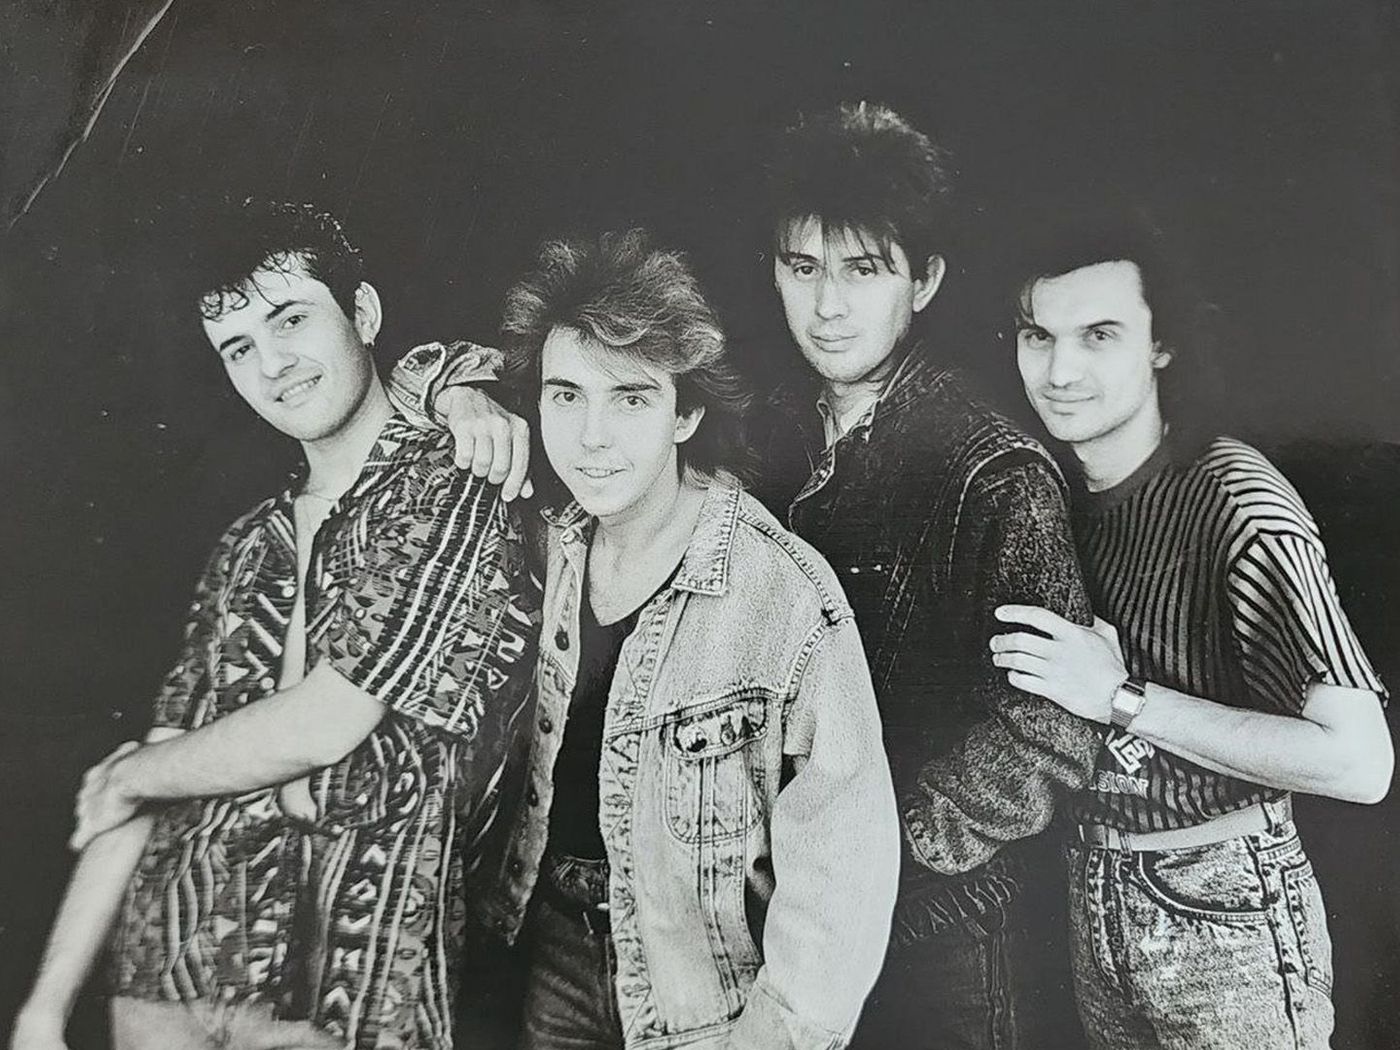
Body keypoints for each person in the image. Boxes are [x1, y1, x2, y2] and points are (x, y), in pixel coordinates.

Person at [401, 102, 1102, 1050]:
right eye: (802, 268)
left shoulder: (992, 472)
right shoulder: (763, 420)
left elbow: (1053, 728)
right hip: (741, 919)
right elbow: (588, 370)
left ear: (926, 280)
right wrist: (459, 391)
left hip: (942, 938)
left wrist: (866, 849)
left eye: (864, 271)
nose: (828, 306)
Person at [9, 200, 540, 1050]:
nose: (272, 364)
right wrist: (44, 1006)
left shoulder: (452, 486)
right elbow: (145, 773)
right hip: (166, 976)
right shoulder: (247, 545)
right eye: (237, 348)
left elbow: (325, 722)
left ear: (363, 314)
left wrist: (136, 773)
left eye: (291, 319)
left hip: (350, 994)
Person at [472, 228, 898, 1050]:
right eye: (566, 396)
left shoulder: (782, 593)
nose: (592, 436)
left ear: (685, 413)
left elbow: (844, 875)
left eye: (631, 399)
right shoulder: (546, 541)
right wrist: (455, 394)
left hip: (703, 997)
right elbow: (399, 389)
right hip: (551, 955)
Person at [990, 208, 1393, 1050]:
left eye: (1099, 335)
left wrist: (1120, 698)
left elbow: (1360, 762)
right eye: (1037, 336)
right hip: (1092, 890)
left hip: (1224, 906)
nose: (1059, 371)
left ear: (1162, 345)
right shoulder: (1049, 494)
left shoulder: (1236, 500)